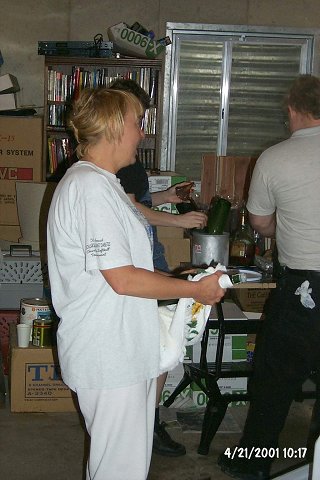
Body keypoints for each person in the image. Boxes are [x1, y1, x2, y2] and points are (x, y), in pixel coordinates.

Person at [46, 87, 225, 480]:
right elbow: (123, 280)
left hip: (119, 350)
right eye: (135, 123)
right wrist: (195, 292)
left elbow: (122, 269)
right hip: (109, 354)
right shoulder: (90, 188)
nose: (141, 134)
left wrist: (179, 278)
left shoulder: (102, 184)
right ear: (113, 128)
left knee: (120, 464)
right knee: (120, 470)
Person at [218, 74, 320, 479]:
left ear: (293, 110)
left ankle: (255, 464)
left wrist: (289, 226)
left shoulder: (275, 158)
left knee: (274, 378)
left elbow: (260, 223)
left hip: (303, 289)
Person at [110, 78, 207, 456]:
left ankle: (146, 423)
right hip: (140, 258)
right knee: (157, 347)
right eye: (137, 117)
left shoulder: (129, 162)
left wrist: (169, 197)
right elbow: (130, 208)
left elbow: (140, 198)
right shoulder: (111, 164)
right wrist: (180, 222)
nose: (142, 128)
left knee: (159, 345)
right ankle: (144, 426)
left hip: (149, 254)